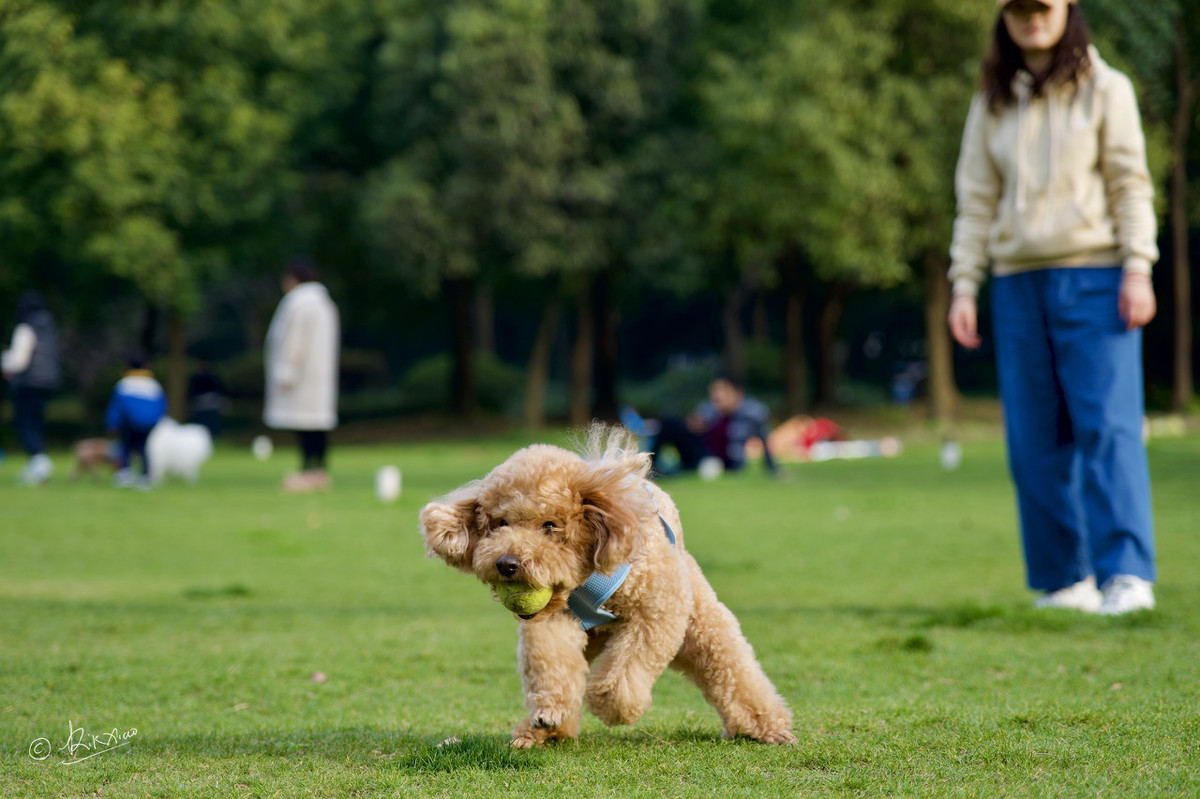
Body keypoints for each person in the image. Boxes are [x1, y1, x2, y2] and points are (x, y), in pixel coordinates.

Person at [947, 0, 1158, 615]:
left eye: (1042, 7)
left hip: (1097, 276)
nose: (1031, 19)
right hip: (1016, 285)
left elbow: (1129, 183)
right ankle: (1064, 579)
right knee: (1033, 441)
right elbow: (976, 199)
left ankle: (1126, 573)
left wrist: (1138, 267)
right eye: (1018, 9)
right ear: (1003, 17)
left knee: (1107, 429)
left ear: (1068, 8)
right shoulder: (991, 100)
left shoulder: (1106, 88)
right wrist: (966, 284)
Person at [263, 258, 340, 493]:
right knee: (317, 423)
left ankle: (310, 471)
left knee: (306, 424)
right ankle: (318, 470)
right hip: (318, 376)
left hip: (302, 376)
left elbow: (292, 341)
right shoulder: (324, 303)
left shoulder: (298, 304)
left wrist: (286, 372)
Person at [644, 374, 778, 477]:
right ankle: (650, 469)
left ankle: (673, 470)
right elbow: (692, 429)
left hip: (726, 462)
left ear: (738, 393)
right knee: (669, 420)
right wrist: (694, 426)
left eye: (722, 391)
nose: (717, 395)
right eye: (714, 391)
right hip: (701, 453)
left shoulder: (754, 412)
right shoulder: (709, 409)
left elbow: (764, 440)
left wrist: (773, 469)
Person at [2, 291, 61, 485]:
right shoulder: (48, 326)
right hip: (46, 382)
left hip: (27, 383)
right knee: (36, 422)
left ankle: (38, 462)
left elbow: (19, 360)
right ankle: (38, 461)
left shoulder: (26, 327)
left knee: (25, 424)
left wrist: (5, 363)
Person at [104, 355, 167, 488]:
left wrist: (112, 423)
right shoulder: (153, 384)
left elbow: (116, 406)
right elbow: (162, 405)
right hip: (149, 424)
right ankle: (145, 476)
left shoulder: (124, 384)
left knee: (125, 446)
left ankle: (125, 474)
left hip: (129, 422)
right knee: (144, 448)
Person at [187, 358, 227, 439]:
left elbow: (220, 391)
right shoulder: (196, 378)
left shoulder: (214, 378)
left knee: (212, 426)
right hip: (199, 407)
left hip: (211, 406)